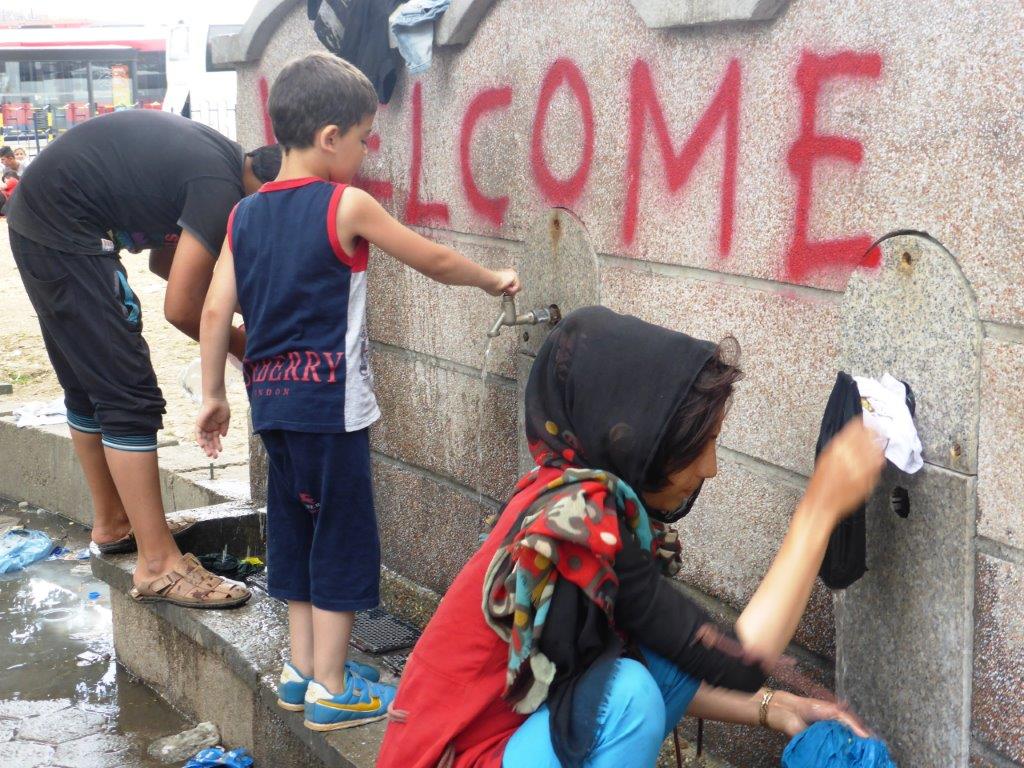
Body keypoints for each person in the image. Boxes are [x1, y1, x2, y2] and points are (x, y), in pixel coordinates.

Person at [376, 307, 885, 768]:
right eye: (699, 446)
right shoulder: (577, 522)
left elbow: (670, 657)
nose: (711, 468)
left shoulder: (570, 499)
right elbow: (741, 658)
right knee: (628, 697)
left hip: (497, 747)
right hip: (448, 758)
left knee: (642, 673)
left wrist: (771, 709)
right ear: (636, 438)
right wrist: (819, 508)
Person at [195, 52, 520, 732]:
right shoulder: (346, 204)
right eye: (367, 137)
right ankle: (335, 689)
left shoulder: (244, 217)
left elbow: (212, 310)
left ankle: (302, 670)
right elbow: (429, 257)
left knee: (295, 532)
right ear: (330, 137)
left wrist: (211, 394)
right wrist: (492, 278)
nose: (369, 151)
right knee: (339, 539)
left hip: (272, 409)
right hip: (332, 411)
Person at [5, 110, 281, 608]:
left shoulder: (219, 162)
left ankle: (114, 523)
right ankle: (158, 565)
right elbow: (180, 307)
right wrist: (255, 350)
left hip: (43, 220)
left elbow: (163, 261)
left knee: (90, 387)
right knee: (128, 393)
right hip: (64, 229)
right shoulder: (218, 188)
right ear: (262, 192)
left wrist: (253, 313)